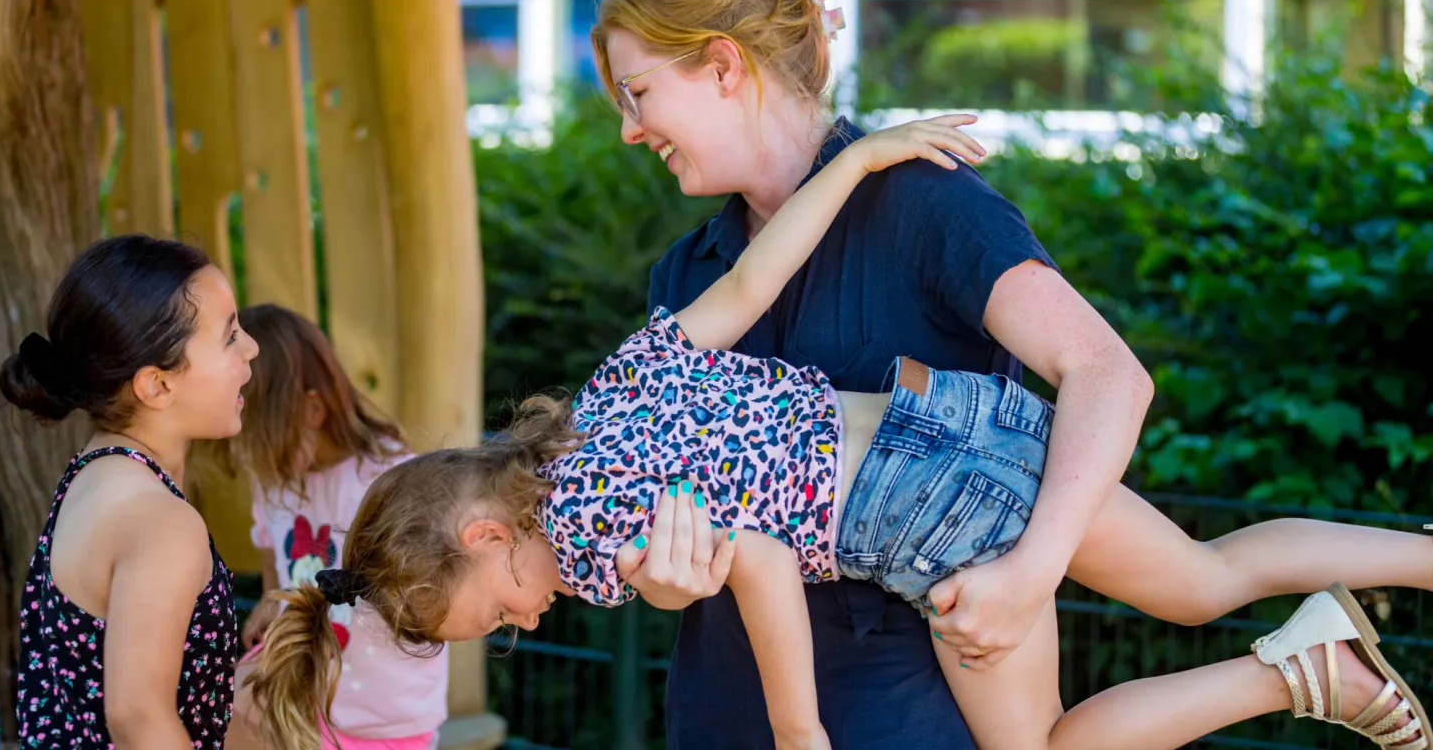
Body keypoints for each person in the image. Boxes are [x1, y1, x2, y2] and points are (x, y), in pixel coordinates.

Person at [248, 120, 1428, 750]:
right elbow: (758, 279)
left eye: (493, 612)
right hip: (960, 422)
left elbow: (761, 560)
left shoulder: (592, 535)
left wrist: (798, 729)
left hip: (928, 518)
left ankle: (1298, 676)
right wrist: (856, 158)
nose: (524, 619)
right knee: (1211, 573)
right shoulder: (608, 391)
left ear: (484, 533)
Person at [589, 0, 1431, 748]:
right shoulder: (687, 273)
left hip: (913, 702)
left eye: (637, 93)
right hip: (732, 710)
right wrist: (664, 580)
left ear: (723, 65)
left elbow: (1107, 373)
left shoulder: (924, 202)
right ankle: (1308, 666)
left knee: (1199, 582)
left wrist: (1030, 575)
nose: (629, 129)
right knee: (1202, 579)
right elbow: (689, 509)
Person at [0, 234, 256, 749]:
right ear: (156, 385)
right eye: (229, 337)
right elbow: (138, 718)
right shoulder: (160, 520)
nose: (251, 346)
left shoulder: (94, 474)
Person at [212, 304, 448, 750]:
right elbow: (270, 549)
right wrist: (270, 598)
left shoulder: (386, 476)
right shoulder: (276, 478)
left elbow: (429, 583)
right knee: (225, 708)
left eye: (255, 436)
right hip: (302, 693)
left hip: (383, 712)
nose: (246, 456)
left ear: (312, 411)